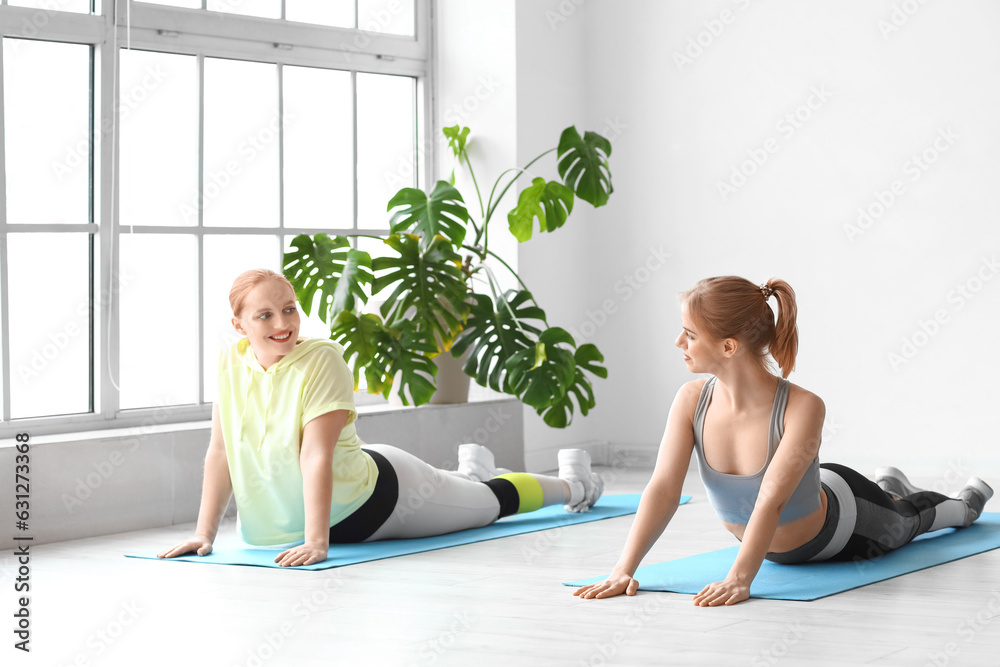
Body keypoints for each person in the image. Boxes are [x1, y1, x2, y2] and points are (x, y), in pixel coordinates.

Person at [574, 276, 993, 606]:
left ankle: (966, 502)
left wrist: (740, 578)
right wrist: (622, 569)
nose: (678, 343)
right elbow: (663, 490)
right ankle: (891, 486)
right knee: (895, 503)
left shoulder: (803, 406)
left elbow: (771, 500)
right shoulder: (690, 401)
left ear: (729, 345)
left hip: (842, 523)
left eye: (689, 334)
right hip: (796, 514)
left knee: (910, 521)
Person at [158, 268, 604, 567]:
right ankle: (470, 471)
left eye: (290, 308)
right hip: (320, 506)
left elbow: (316, 455)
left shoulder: (321, 359)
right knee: (469, 490)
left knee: (490, 505)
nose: (284, 322)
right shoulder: (230, 363)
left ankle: (576, 484)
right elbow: (221, 452)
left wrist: (317, 541)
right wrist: (204, 533)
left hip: (377, 499)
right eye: (265, 315)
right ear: (239, 326)